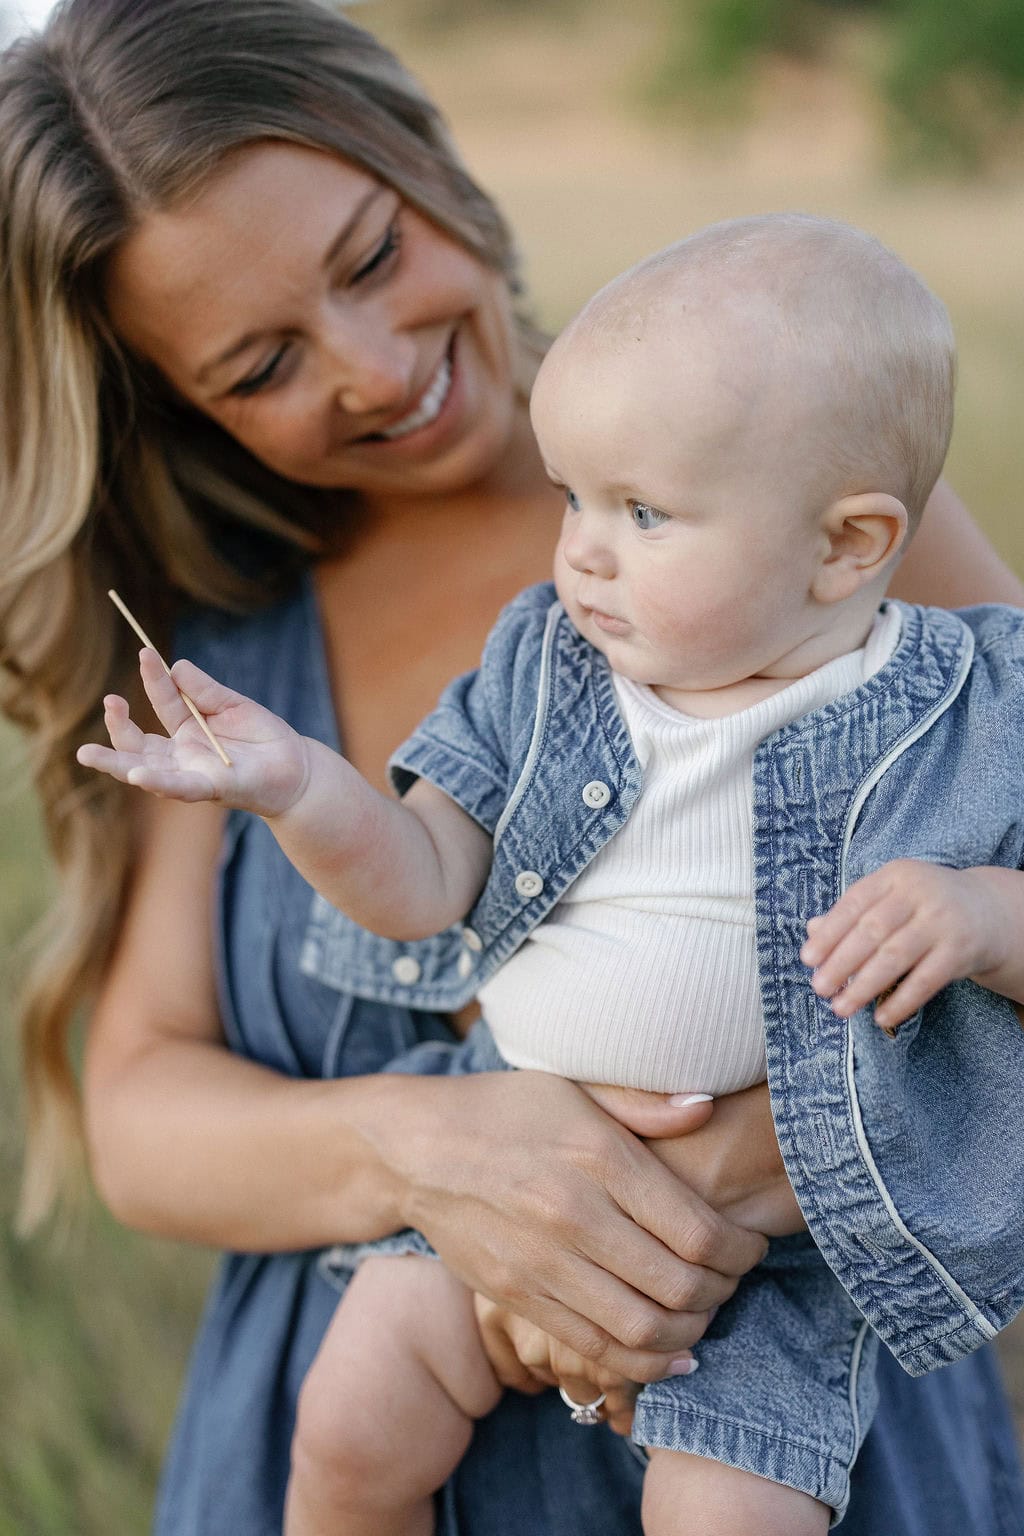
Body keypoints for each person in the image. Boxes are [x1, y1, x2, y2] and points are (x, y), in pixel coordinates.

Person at [1, 3, 1022, 1533]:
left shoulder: (819, 506)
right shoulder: (231, 648)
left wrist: (771, 1165)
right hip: (360, 1391)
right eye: (263, 361)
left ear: (422, 158)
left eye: (369, 257)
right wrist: (438, 1151)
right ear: (182, 401)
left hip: (807, 1420)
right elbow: (142, 1121)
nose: (373, 364)